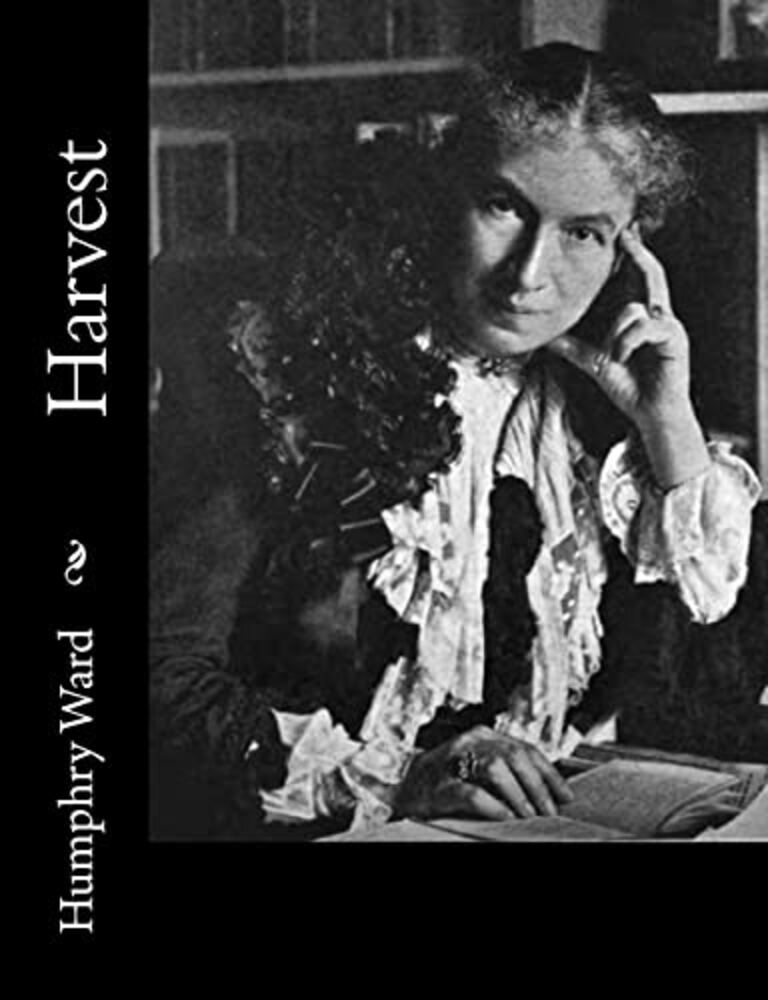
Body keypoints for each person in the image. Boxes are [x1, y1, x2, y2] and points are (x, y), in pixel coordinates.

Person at [149, 43, 763, 840]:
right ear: (446, 193)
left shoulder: (600, 406)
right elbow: (157, 678)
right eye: (503, 206)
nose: (529, 276)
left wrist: (668, 425)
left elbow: (717, 684)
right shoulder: (287, 372)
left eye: (583, 233)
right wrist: (400, 776)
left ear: (628, 249)